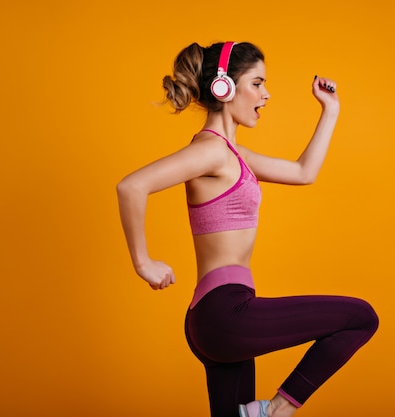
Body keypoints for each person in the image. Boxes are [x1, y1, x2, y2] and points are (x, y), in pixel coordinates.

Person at [116, 41, 379, 417]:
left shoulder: (236, 155)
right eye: (257, 83)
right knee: (360, 317)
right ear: (224, 87)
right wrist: (143, 263)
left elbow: (304, 173)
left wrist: (330, 110)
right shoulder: (211, 151)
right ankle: (274, 411)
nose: (266, 94)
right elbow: (131, 186)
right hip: (226, 313)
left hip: (215, 318)